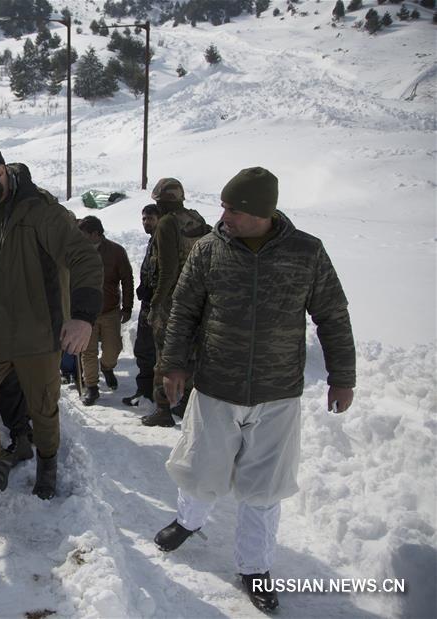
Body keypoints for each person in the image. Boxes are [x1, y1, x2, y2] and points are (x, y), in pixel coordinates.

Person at [153, 167, 356, 613]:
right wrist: (172, 366)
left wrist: (343, 376)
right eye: (224, 206)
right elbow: (183, 310)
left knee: (263, 489)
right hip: (216, 387)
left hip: (277, 390)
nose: (223, 216)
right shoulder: (209, 249)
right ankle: (188, 521)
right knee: (200, 470)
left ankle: (255, 567)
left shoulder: (306, 253)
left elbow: (333, 316)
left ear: (261, 212)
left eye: (233, 209)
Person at [0, 136, 102, 500]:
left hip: (36, 328)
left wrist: (82, 316)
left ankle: (46, 466)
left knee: (43, 406)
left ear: (0, 171)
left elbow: (84, 258)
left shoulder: (40, 211)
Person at [141, 178, 210, 428]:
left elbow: (167, 270)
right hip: (198, 297)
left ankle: (162, 408)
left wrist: (156, 303)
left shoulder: (167, 223)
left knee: (165, 353)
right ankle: (186, 404)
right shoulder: (197, 219)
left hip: (173, 300)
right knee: (191, 352)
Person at [77, 216, 134, 406]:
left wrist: (127, 306)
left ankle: (107, 367)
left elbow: (127, 279)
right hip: (85, 312)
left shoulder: (116, 251)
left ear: (95, 234)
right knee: (88, 351)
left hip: (110, 310)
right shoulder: (77, 251)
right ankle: (92, 387)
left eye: (84, 234)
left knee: (113, 348)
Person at [123, 204, 160, 406]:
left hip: (158, 307)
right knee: (144, 350)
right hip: (149, 304)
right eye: (144, 219)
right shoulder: (153, 241)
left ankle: (153, 395)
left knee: (150, 351)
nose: (146, 222)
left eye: (150, 218)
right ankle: (146, 392)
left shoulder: (164, 241)